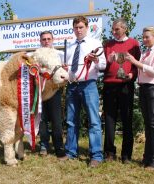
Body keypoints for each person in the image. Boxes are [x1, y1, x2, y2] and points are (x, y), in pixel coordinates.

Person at [125, 26, 154, 171]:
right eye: (143, 37)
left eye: (147, 37)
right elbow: (143, 71)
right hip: (144, 88)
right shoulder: (145, 53)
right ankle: (148, 158)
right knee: (148, 125)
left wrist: (135, 62)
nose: (144, 40)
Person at [65, 16, 106, 167]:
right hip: (72, 85)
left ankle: (96, 155)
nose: (78, 30)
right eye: (76, 27)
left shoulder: (95, 44)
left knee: (94, 121)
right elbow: (68, 66)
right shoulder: (69, 45)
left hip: (89, 85)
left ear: (87, 28)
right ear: (73, 29)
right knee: (70, 121)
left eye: (81, 27)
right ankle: (70, 152)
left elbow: (103, 66)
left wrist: (96, 60)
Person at [102, 18, 141, 164]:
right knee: (110, 119)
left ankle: (126, 155)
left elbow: (138, 65)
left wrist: (132, 75)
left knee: (127, 119)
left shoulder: (134, 43)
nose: (113, 31)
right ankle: (109, 153)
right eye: (112, 29)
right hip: (109, 85)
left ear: (125, 28)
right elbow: (102, 65)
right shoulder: (108, 44)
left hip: (126, 85)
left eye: (116, 29)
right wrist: (109, 61)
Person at [38, 31, 67, 160]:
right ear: (40, 41)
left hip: (54, 91)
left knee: (56, 121)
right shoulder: (36, 55)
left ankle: (59, 147)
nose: (46, 41)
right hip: (40, 91)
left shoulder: (59, 55)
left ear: (53, 40)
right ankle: (43, 145)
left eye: (48, 39)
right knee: (42, 120)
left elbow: (64, 72)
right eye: (44, 39)